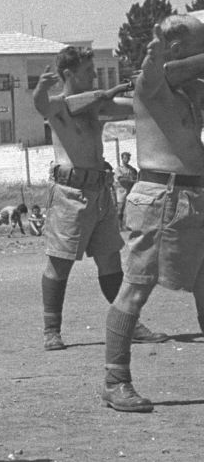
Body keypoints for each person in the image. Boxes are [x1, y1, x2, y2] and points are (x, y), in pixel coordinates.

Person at [100, 16, 204, 412]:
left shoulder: (187, 92)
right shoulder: (153, 83)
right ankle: (115, 380)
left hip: (191, 200)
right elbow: (156, 72)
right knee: (135, 290)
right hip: (161, 198)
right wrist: (158, 56)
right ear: (176, 52)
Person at [33, 47, 168, 352]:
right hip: (70, 194)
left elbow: (134, 106)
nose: (94, 75)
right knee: (60, 263)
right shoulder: (61, 107)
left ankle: (128, 323)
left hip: (100, 192)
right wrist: (41, 87)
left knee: (110, 261)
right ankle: (51, 330)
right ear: (68, 74)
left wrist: (153, 87)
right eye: (88, 71)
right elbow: (42, 105)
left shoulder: (95, 107)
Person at [115, 151, 139, 224]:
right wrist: (131, 180)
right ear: (122, 159)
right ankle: (119, 224)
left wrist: (131, 179)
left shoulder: (132, 169)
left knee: (131, 207)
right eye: (125, 158)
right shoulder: (119, 169)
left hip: (130, 190)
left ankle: (129, 224)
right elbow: (121, 179)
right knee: (121, 207)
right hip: (121, 190)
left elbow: (136, 177)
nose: (127, 159)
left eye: (128, 158)